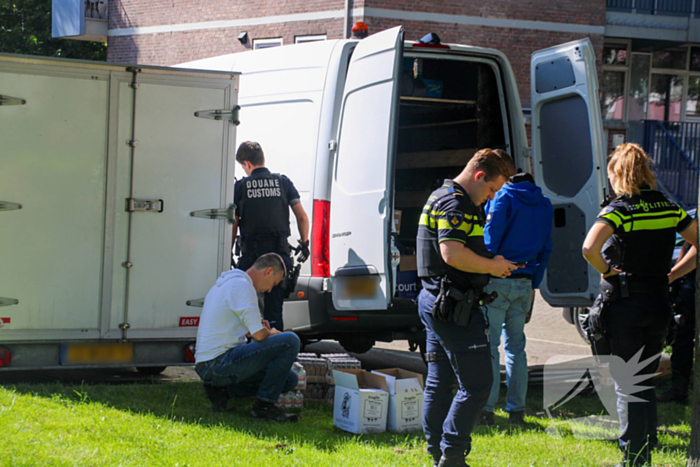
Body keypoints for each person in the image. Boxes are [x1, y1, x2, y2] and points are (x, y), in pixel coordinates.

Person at [582, 143, 697, 466]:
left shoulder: (620, 209)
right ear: (646, 170)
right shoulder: (669, 207)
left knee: (627, 383)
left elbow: (589, 248)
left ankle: (632, 457)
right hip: (659, 300)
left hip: (625, 302)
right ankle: (644, 448)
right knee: (643, 378)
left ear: (617, 173)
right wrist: (673, 274)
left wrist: (607, 271)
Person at [416, 148, 518, 467]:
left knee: (440, 382)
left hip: (437, 303)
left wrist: (492, 263)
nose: (490, 197)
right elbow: (452, 254)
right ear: (478, 176)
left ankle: (438, 455)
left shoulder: (442, 195)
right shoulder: (455, 202)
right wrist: (491, 266)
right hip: (453, 307)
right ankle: (452, 455)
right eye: (491, 189)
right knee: (477, 385)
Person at [480, 155, 553, 426]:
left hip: (498, 280)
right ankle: (517, 411)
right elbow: (547, 248)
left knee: (490, 347)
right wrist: (533, 284)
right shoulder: (545, 204)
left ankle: (487, 409)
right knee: (516, 348)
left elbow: (490, 241)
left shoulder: (503, 197)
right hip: (525, 282)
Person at [194, 253, 301, 423]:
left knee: (290, 379)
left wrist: (257, 329)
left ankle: (222, 391)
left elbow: (246, 330)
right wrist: (272, 333)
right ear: (268, 271)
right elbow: (259, 335)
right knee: (290, 341)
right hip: (218, 363)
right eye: (273, 283)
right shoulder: (243, 286)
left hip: (209, 364)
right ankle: (264, 406)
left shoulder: (229, 283)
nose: (270, 290)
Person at [232, 141, 310, 331]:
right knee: (274, 311)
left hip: (252, 257)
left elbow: (233, 223)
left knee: (246, 307)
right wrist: (304, 243)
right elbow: (301, 217)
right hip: (278, 257)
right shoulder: (283, 182)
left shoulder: (241, 187)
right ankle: (276, 350)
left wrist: (227, 250)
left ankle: (251, 350)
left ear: (247, 164)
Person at [658, 239, 697, 403]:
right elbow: (690, 244)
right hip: (689, 283)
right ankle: (678, 388)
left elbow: (696, 248)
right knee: (682, 339)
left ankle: (679, 389)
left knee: (683, 339)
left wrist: (672, 276)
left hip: (692, 284)